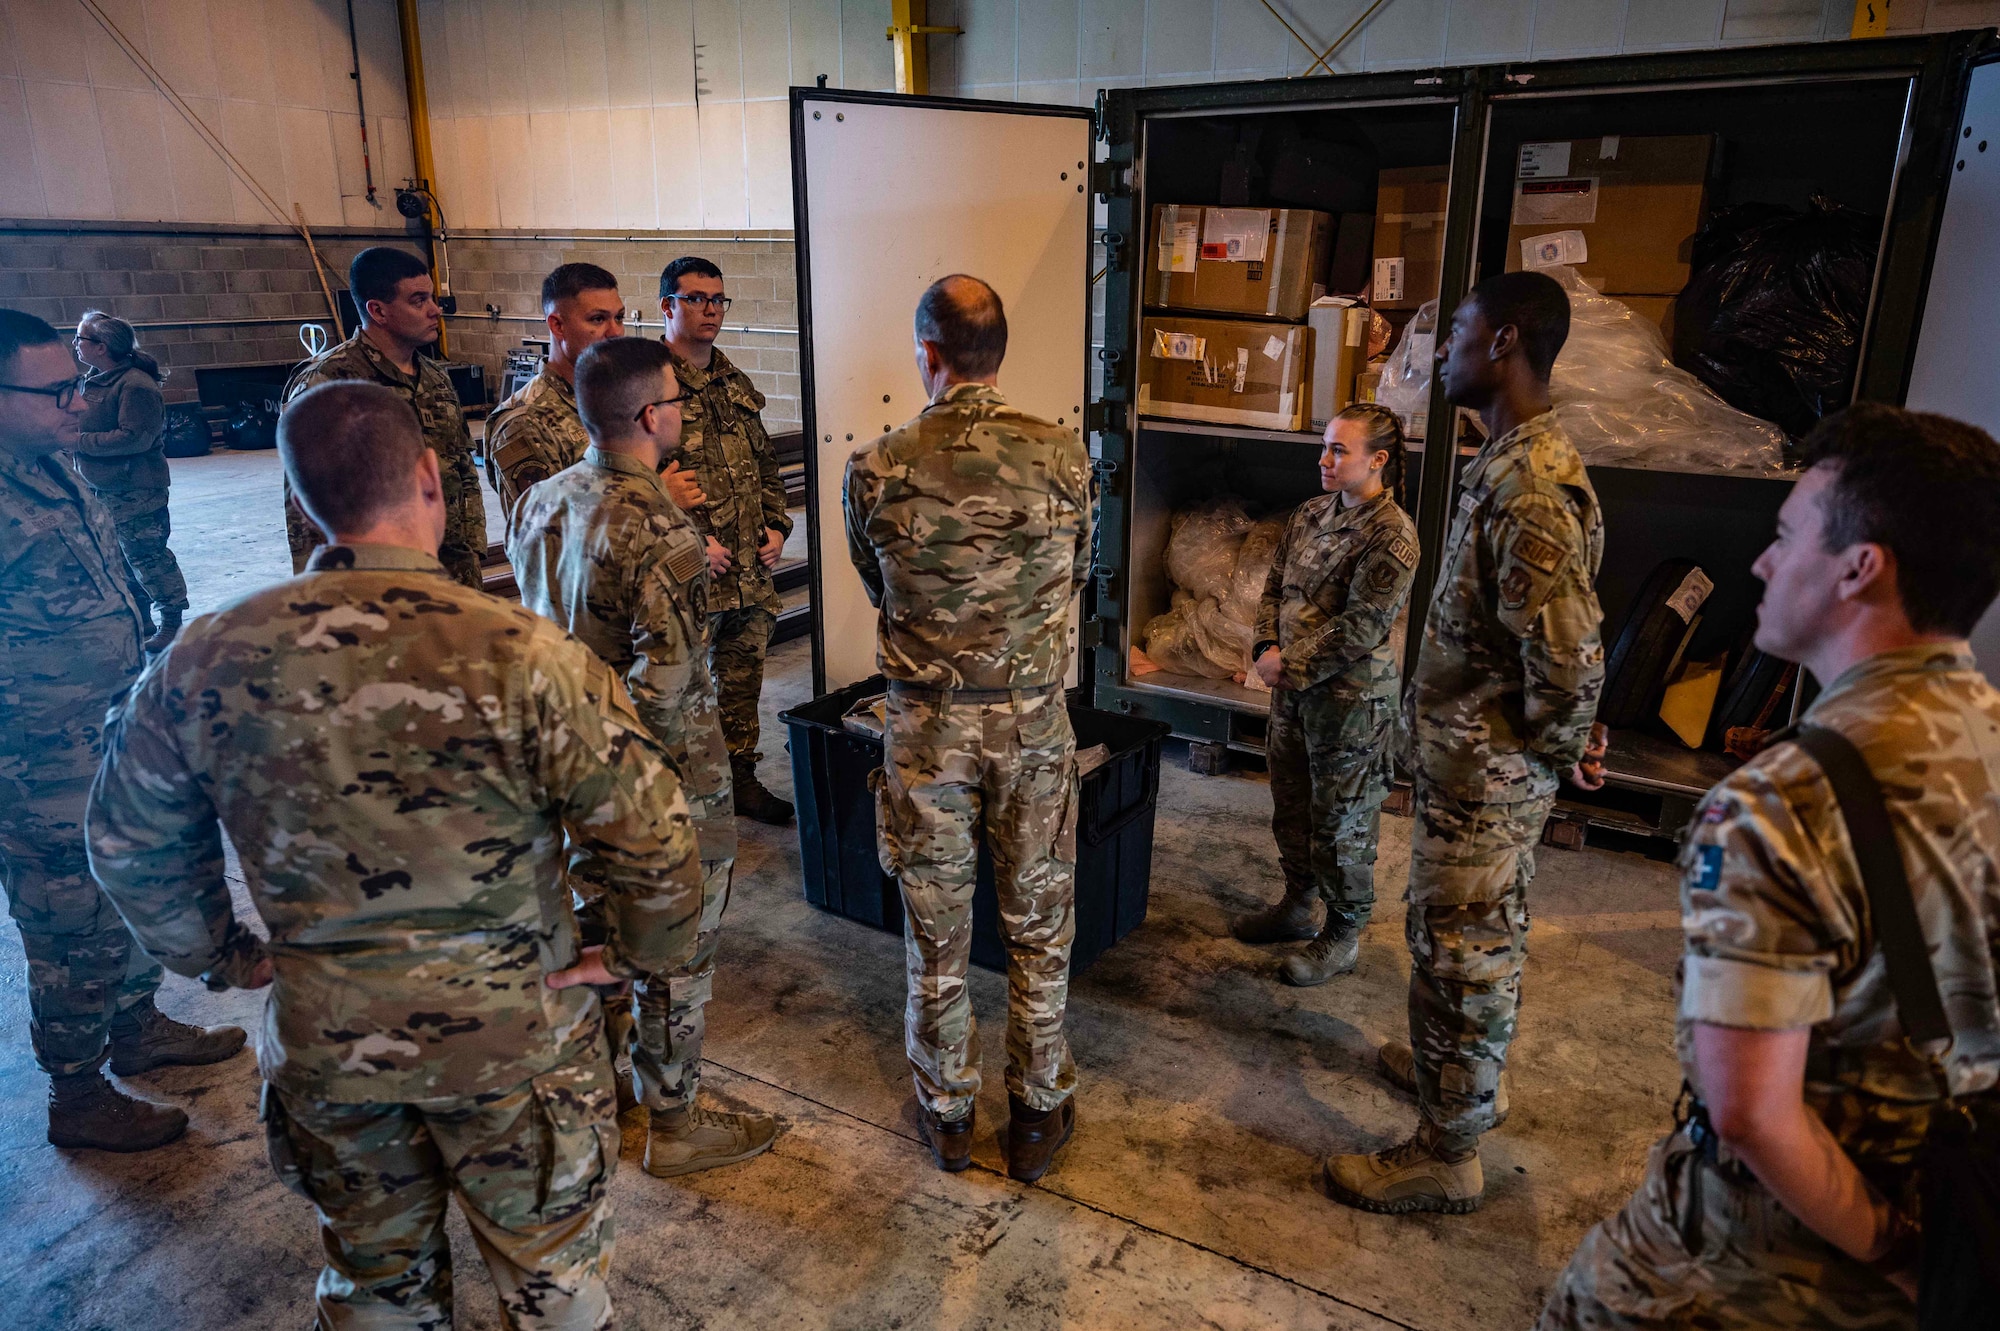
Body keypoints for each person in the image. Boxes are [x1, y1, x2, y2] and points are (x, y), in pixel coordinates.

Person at [87, 379, 706, 1330]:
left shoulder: (206, 657)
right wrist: (629, 956)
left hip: (330, 1039)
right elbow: (656, 834)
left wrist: (226, 955)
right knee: (554, 1283)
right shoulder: (526, 655)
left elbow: (128, 845)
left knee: (375, 1282)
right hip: (516, 1037)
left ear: (300, 498)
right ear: (432, 477)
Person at [1539, 402, 2000, 1329]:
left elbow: (1750, 1111)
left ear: (1859, 568)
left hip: (1769, 1265)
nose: (1761, 561)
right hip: (1961, 1194)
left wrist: (1903, 1257)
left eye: (1787, 535)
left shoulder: (1781, 802)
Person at [1325, 271, 1609, 1214]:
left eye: (1454, 332)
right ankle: (1462, 1076)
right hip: (1478, 767)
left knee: (1462, 949)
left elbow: (1567, 661)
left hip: (1488, 777)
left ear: (1504, 342)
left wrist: (1543, 756)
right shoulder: (1509, 462)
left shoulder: (1527, 485)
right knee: (1472, 942)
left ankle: (1447, 1151)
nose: (1438, 350)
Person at [510, 336, 779, 1178]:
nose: (683, 412)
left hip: (562, 766)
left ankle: (604, 1094)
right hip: (656, 783)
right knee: (675, 945)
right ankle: (676, 1117)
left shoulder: (542, 501)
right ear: (650, 416)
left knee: (595, 928)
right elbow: (662, 694)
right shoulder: (666, 531)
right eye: (676, 401)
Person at [844, 275, 1092, 1182]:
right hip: (1031, 727)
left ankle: (947, 1113)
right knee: (1039, 926)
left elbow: (879, 582)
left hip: (927, 732)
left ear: (929, 356)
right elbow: (1078, 572)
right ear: (999, 354)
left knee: (937, 929)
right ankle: (1035, 1116)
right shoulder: (1065, 457)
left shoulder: (875, 465)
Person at [0, 308, 244, 1155]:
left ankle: (137, 1025)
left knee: (125, 889)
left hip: (106, 736)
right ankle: (78, 1093)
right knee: (68, 924)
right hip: (34, 763)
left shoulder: (55, 464)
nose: (79, 400)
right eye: (57, 390)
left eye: (77, 380)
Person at [1235, 403, 1419, 986]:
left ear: (1378, 460)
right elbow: (1274, 587)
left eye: (1340, 449)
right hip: (1291, 693)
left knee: (1343, 822)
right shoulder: (1310, 514)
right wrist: (1265, 645)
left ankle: (1341, 934)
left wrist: (1291, 663)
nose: (1325, 459)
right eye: (1326, 446)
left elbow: (1366, 623)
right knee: (1291, 803)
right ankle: (1296, 904)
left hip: (1349, 705)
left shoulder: (1392, 536)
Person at [660, 256, 795, 825]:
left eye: (718, 300)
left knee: (741, 682)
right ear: (668, 304)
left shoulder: (732, 379)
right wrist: (693, 541)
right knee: (675, 690)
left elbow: (765, 465)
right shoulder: (650, 381)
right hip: (689, 572)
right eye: (696, 298)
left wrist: (776, 527)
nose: (711, 309)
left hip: (747, 569)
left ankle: (739, 777)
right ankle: (673, 796)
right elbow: (634, 480)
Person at [281, 246, 486, 588]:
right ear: (378, 310)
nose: (435, 310)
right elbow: (306, 496)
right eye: (418, 300)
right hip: (373, 576)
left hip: (451, 566)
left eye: (432, 298)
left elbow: (463, 466)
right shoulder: (328, 381)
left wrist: (473, 551)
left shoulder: (436, 376)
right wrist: (318, 588)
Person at [71, 310, 189, 653]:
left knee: (147, 557)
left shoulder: (135, 385)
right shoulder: (94, 379)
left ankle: (171, 621)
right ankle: (141, 620)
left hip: (136, 489)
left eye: (80, 339)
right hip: (102, 486)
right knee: (118, 558)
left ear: (101, 346)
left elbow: (135, 438)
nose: (75, 345)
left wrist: (79, 443)